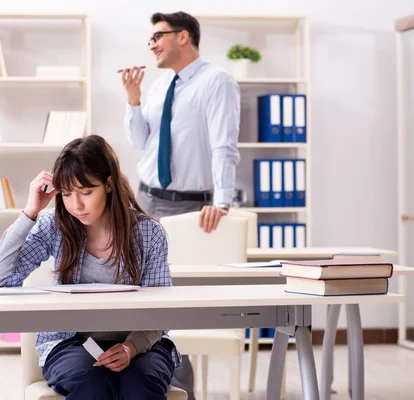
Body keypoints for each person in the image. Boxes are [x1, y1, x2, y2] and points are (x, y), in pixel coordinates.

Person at [0, 135, 180, 400]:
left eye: (86, 192)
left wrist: (132, 347)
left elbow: (159, 312)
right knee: (92, 383)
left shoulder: (148, 233)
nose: (76, 205)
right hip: (70, 343)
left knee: (139, 385)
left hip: (142, 342)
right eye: (66, 194)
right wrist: (30, 212)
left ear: (109, 184)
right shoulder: (55, 225)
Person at [121, 11, 241, 399]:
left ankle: (177, 389)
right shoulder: (159, 87)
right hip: (146, 200)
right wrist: (133, 100)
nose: (152, 44)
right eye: (150, 38)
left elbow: (225, 145)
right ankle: (144, 382)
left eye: (158, 36)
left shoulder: (215, 81)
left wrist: (222, 201)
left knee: (174, 302)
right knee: (136, 294)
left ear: (184, 37)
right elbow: (142, 143)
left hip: (191, 207)